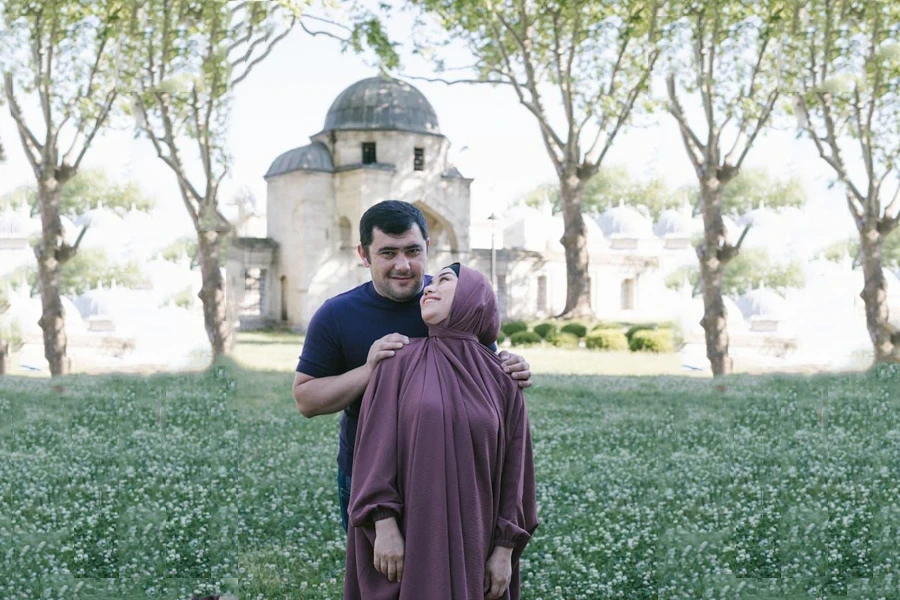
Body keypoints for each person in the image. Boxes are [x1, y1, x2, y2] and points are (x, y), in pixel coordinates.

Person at [292, 201, 532, 532]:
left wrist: (509, 365)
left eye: (412, 251)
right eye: (388, 253)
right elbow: (306, 400)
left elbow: (483, 367)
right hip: (371, 475)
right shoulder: (336, 315)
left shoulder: (451, 298)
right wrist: (369, 371)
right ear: (364, 255)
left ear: (427, 248)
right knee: (380, 578)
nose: (403, 265)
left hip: (450, 469)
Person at [344, 263, 538, 600]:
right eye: (430, 283)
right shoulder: (398, 361)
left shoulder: (503, 379)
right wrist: (384, 523)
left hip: (477, 535)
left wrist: (505, 549)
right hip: (411, 533)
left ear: (472, 297)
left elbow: (515, 472)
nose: (429, 288)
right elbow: (375, 449)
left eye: (444, 281)